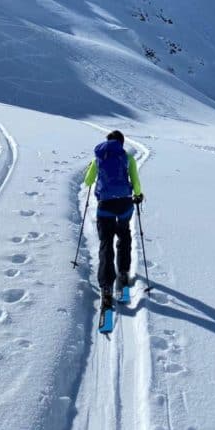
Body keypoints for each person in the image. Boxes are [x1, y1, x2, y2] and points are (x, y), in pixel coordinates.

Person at [84, 130, 143, 309]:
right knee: (124, 236)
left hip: (105, 207)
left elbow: (87, 181)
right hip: (124, 204)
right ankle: (123, 272)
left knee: (106, 243)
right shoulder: (127, 158)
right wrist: (138, 195)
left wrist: (91, 169)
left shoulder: (99, 158)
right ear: (121, 143)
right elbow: (136, 182)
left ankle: (106, 285)